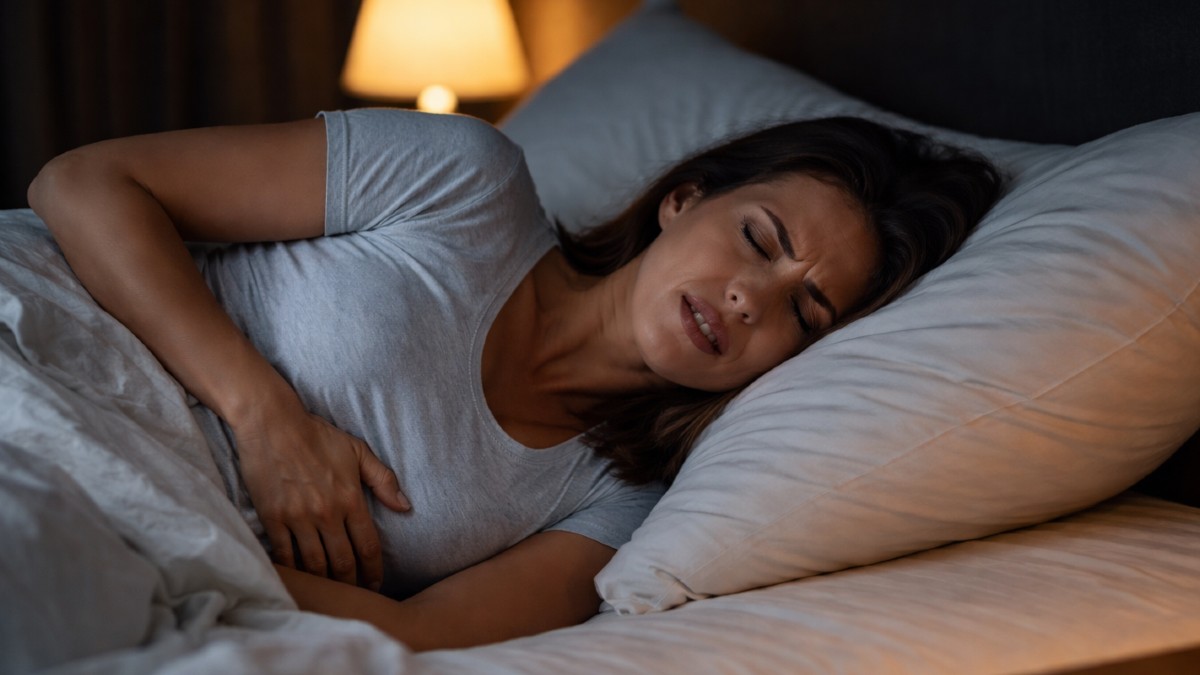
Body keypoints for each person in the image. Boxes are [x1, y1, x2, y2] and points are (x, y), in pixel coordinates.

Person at [27, 110, 1002, 650]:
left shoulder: (619, 504)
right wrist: (262, 412)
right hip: (38, 339)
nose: (755, 299)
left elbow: (419, 630)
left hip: (108, 508)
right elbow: (83, 182)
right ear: (684, 199)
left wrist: (163, 527)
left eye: (807, 309)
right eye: (761, 241)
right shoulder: (463, 179)